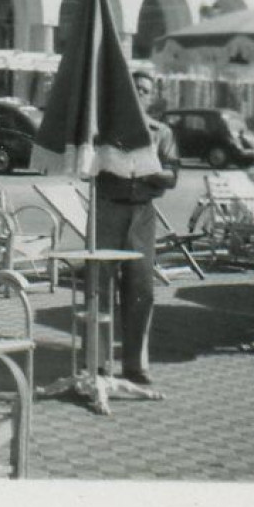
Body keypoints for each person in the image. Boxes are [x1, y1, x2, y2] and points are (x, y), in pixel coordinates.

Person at [93, 69, 180, 386]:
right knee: (100, 287)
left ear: (152, 97)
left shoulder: (162, 133)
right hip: (108, 210)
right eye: (133, 89)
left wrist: (144, 170)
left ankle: (135, 364)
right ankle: (99, 362)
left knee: (141, 289)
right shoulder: (104, 131)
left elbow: (172, 176)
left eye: (144, 90)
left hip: (142, 213)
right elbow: (90, 169)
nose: (139, 94)